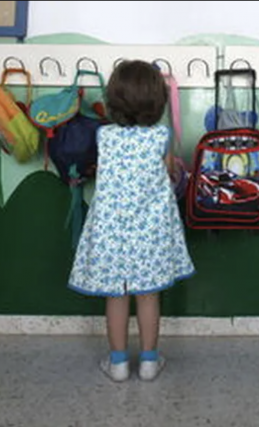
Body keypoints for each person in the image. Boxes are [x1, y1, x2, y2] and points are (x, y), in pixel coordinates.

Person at [67, 59, 195, 382]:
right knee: (149, 296)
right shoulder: (161, 136)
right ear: (157, 102)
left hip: (111, 234)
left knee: (116, 296)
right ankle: (150, 362)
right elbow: (168, 173)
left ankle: (119, 363)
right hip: (149, 234)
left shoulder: (104, 136)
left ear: (114, 101)